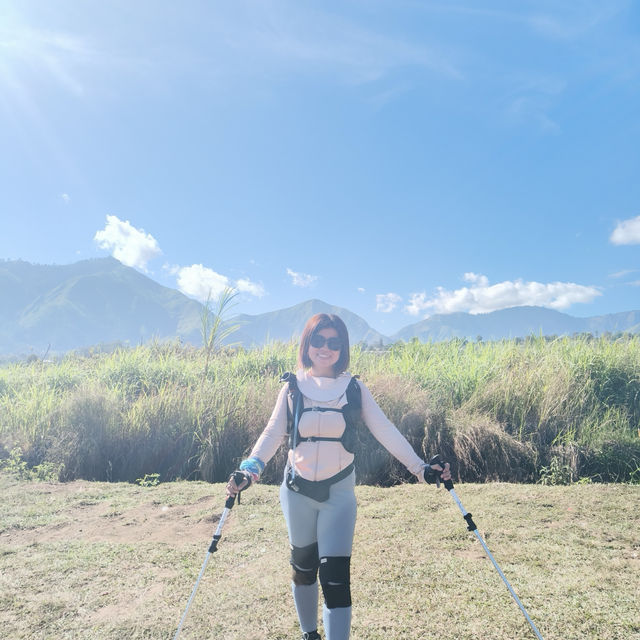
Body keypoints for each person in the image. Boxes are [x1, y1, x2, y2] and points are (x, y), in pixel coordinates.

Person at [226, 313, 451, 640]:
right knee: (303, 569)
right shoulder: (292, 388)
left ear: (342, 348)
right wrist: (250, 469)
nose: (325, 348)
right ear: (307, 344)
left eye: (333, 342)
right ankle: (309, 634)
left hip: (338, 495)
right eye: (318, 340)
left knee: (335, 579)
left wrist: (420, 469)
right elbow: (273, 434)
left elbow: (385, 430)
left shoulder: (354, 389)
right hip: (296, 491)